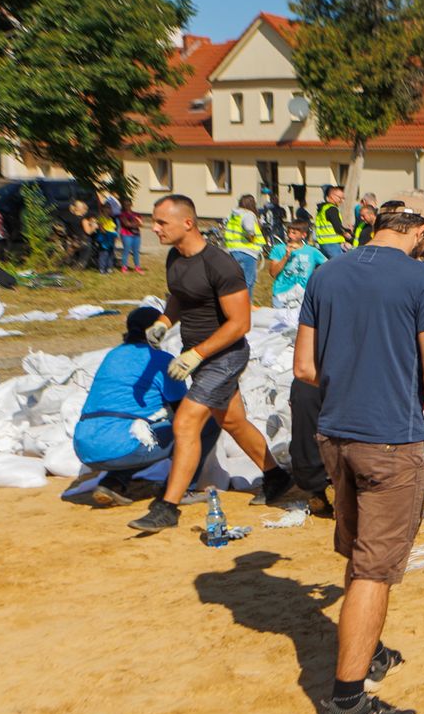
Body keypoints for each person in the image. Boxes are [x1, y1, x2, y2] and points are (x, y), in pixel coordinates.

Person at [294, 193, 424, 714]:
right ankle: (346, 704)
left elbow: (304, 367)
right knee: (374, 569)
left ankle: (370, 651)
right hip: (391, 438)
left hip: (335, 434)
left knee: (359, 553)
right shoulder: (423, 280)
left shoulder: (326, 273)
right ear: (422, 232)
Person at [128, 197, 292, 531]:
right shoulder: (176, 257)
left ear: (187, 223)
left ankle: (168, 507)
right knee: (232, 421)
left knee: (186, 422)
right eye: (155, 222)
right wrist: (164, 321)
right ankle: (276, 477)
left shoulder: (220, 264)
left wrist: (197, 354)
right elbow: (179, 295)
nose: (154, 228)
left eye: (161, 222)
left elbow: (240, 323)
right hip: (200, 354)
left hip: (225, 355)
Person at [73, 307, 221, 508]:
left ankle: (113, 483)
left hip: (84, 443)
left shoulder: (113, 355)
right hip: (120, 446)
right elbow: (184, 413)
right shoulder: (160, 360)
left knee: (136, 433)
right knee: (205, 425)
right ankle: (183, 489)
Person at [265, 219, 327, 312]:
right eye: (288, 232)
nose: (290, 235)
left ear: (303, 235)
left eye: (294, 233)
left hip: (303, 296)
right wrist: (286, 257)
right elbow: (273, 273)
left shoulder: (312, 251)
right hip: (281, 295)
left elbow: (329, 266)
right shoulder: (279, 249)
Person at [313, 184, 350, 258]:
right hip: (332, 243)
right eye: (340, 198)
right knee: (338, 265)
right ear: (332, 196)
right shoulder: (332, 209)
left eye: (343, 198)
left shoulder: (322, 209)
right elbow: (337, 227)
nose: (342, 201)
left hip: (323, 242)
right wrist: (347, 232)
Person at [115, 201, 143, 273]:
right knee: (126, 250)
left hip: (136, 234)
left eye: (128, 204)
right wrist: (136, 223)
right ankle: (124, 267)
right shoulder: (122, 215)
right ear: (123, 205)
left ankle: (137, 267)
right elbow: (126, 224)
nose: (127, 205)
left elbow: (140, 224)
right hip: (126, 234)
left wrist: (132, 224)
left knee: (136, 251)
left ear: (131, 204)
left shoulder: (136, 214)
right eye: (125, 204)